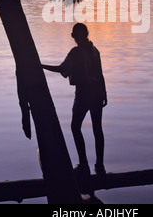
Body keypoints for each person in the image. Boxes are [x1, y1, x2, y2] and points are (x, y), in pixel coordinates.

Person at [42, 23, 107, 176]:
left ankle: (84, 165)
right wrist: (104, 93)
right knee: (97, 129)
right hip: (97, 93)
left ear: (74, 36)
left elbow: (62, 69)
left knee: (75, 127)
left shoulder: (76, 52)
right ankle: (100, 166)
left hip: (84, 94)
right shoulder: (94, 50)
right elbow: (101, 74)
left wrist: (39, 66)